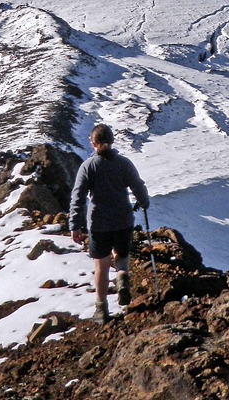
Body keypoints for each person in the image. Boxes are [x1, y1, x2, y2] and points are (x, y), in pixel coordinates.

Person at [69, 123, 150, 321]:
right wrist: (143, 201)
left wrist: (75, 225)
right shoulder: (124, 163)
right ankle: (122, 276)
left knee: (101, 265)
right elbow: (137, 185)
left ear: (93, 142)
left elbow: (78, 196)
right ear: (112, 141)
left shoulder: (88, 166)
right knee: (121, 255)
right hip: (123, 218)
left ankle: (101, 309)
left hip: (98, 223)